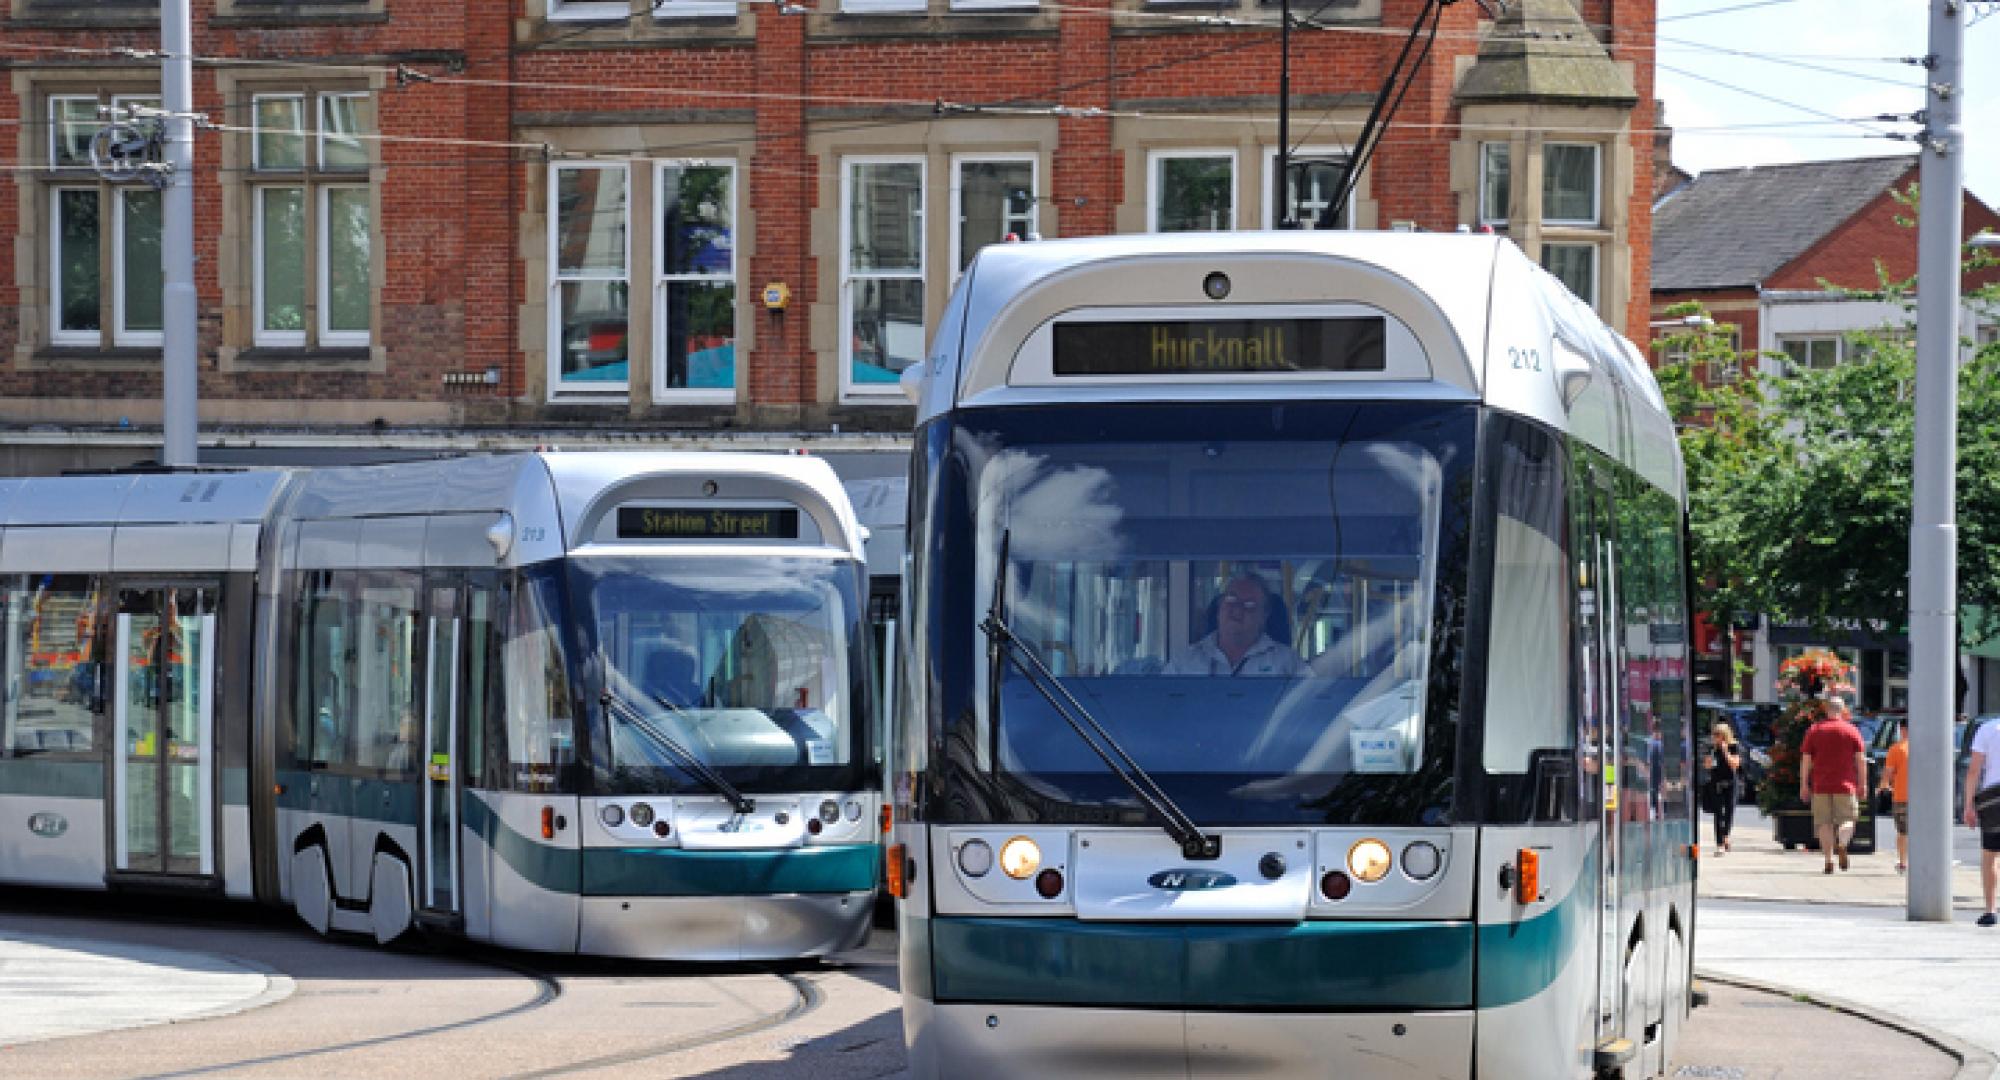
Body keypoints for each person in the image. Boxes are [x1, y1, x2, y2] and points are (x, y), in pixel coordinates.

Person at [1163, 572, 1303, 677]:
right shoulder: (1183, 663)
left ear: (1264, 616)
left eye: (1249, 605)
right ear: (1218, 608)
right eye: (1231, 599)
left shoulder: (1288, 664)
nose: (1237, 610)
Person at [1799, 696, 1869, 874]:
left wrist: (1804, 785)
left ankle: (1829, 860)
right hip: (1845, 785)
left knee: (1824, 823)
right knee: (1848, 820)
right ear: (1843, 710)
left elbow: (1806, 760)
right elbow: (1860, 760)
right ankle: (1843, 843)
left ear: (1826, 710)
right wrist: (1863, 783)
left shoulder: (1814, 730)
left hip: (1821, 784)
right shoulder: (1851, 731)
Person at [1962, 716, 2000, 927]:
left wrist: (1969, 805)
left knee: (1990, 856)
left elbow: (1974, 769)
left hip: (1994, 797)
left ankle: (1990, 910)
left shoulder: (1988, 729)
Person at [1876, 718, 1909, 873]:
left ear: (1902, 730)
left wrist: (1883, 786)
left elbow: (1888, 772)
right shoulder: (1924, 747)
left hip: (1902, 796)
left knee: (1903, 832)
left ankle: (1903, 862)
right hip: (1924, 798)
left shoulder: (1896, 749)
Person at [1707, 720, 1741, 854]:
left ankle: (1726, 835)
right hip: (1716, 783)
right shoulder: (1713, 749)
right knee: (1718, 813)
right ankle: (1720, 843)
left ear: (1725, 735)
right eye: (1714, 735)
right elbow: (1708, 766)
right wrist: (1708, 762)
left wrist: (1726, 752)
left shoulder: (1733, 747)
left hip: (1730, 783)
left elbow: (1735, 765)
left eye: (1718, 735)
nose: (1715, 738)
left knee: (1729, 812)